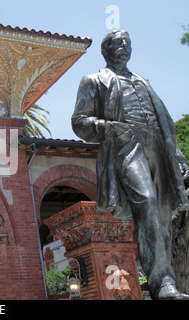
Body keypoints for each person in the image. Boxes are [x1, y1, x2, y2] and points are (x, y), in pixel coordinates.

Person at [72, 30, 189, 299]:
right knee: (146, 202)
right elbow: (80, 122)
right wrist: (111, 128)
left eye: (126, 42)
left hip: (157, 147)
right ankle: (163, 282)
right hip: (126, 146)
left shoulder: (143, 82)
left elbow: (166, 123)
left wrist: (178, 156)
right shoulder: (94, 80)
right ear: (105, 51)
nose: (122, 46)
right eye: (116, 43)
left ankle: (165, 281)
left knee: (162, 215)